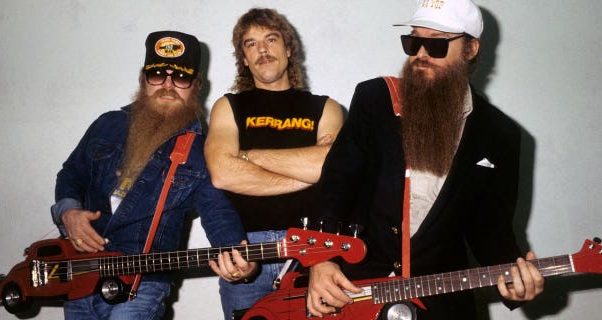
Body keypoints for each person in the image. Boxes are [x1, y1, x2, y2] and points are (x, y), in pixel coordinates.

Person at [307, 1, 545, 319]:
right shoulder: (376, 99)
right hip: (353, 293)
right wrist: (320, 261)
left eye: (435, 43)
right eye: (413, 41)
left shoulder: (500, 135)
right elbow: (334, 189)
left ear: (471, 48)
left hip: (439, 305)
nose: (420, 54)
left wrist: (518, 286)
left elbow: (492, 232)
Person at [50, 30, 256, 320]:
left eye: (181, 78)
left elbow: (218, 212)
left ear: (196, 86)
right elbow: (70, 174)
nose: (168, 85)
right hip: (80, 280)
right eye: (157, 74)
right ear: (143, 80)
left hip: (140, 287)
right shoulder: (107, 124)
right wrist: (68, 213)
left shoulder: (202, 151)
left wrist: (240, 261)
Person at [204, 8, 344, 320]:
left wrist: (248, 156)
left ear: (289, 48)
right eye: (250, 44)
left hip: (314, 247)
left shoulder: (326, 108)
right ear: (243, 57)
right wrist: (308, 172)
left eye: (271, 39)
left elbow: (333, 170)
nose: (262, 50)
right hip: (244, 251)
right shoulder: (228, 106)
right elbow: (222, 174)